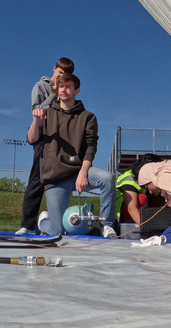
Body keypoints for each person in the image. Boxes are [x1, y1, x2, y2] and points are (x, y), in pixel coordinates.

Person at [27, 73, 116, 237]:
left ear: (77, 91)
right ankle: (43, 222)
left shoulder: (88, 117)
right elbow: (31, 139)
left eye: (68, 86)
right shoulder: (46, 113)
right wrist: (36, 122)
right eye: (61, 86)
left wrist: (83, 173)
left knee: (107, 178)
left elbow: (91, 147)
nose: (64, 90)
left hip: (78, 172)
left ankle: (107, 225)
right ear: (57, 89)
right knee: (58, 232)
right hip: (55, 177)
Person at [16, 57, 75, 236]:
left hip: (61, 139)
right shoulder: (41, 87)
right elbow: (37, 111)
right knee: (37, 179)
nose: (61, 78)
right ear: (55, 69)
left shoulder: (65, 90)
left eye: (65, 76)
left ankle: (56, 222)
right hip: (44, 138)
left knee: (59, 180)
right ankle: (27, 223)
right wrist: (53, 94)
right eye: (59, 73)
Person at [116, 153, 166, 225]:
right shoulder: (130, 180)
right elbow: (131, 208)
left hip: (145, 207)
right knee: (141, 198)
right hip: (126, 213)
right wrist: (147, 227)